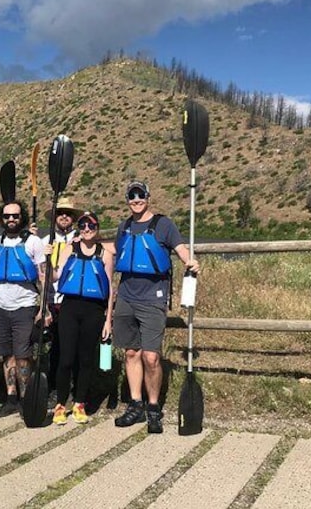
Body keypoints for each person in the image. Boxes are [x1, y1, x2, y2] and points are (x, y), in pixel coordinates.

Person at [112, 181, 200, 433]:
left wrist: (190, 262)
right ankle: (135, 404)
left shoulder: (164, 224)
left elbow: (180, 249)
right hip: (127, 296)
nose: (136, 199)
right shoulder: (124, 227)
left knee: (151, 357)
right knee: (131, 353)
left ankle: (153, 408)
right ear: (127, 199)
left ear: (148, 197)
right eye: (132, 195)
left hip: (153, 298)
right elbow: (116, 251)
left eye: (140, 195)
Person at [51, 211, 114, 425]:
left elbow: (110, 288)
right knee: (66, 358)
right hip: (69, 307)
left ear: (97, 228)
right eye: (83, 226)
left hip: (94, 311)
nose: (87, 229)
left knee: (86, 359)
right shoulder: (70, 249)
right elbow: (55, 275)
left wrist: (108, 320)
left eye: (92, 226)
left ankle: (80, 403)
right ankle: (60, 404)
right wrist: (46, 262)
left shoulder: (104, 254)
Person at [0, 200, 46, 418]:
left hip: (25, 305)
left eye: (15, 216)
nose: (11, 219)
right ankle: (11, 399)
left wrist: (44, 308)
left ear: (22, 217)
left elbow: (42, 276)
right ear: (1, 219)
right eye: (7, 216)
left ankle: (25, 399)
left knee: (23, 356)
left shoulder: (34, 242)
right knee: (7, 355)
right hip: (0, 305)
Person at [40, 197, 80, 406]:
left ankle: (75, 388)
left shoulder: (81, 239)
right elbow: (40, 274)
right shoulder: (46, 241)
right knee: (54, 347)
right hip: (51, 301)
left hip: (71, 300)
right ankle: (55, 388)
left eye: (68, 213)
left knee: (71, 347)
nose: (64, 216)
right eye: (60, 213)